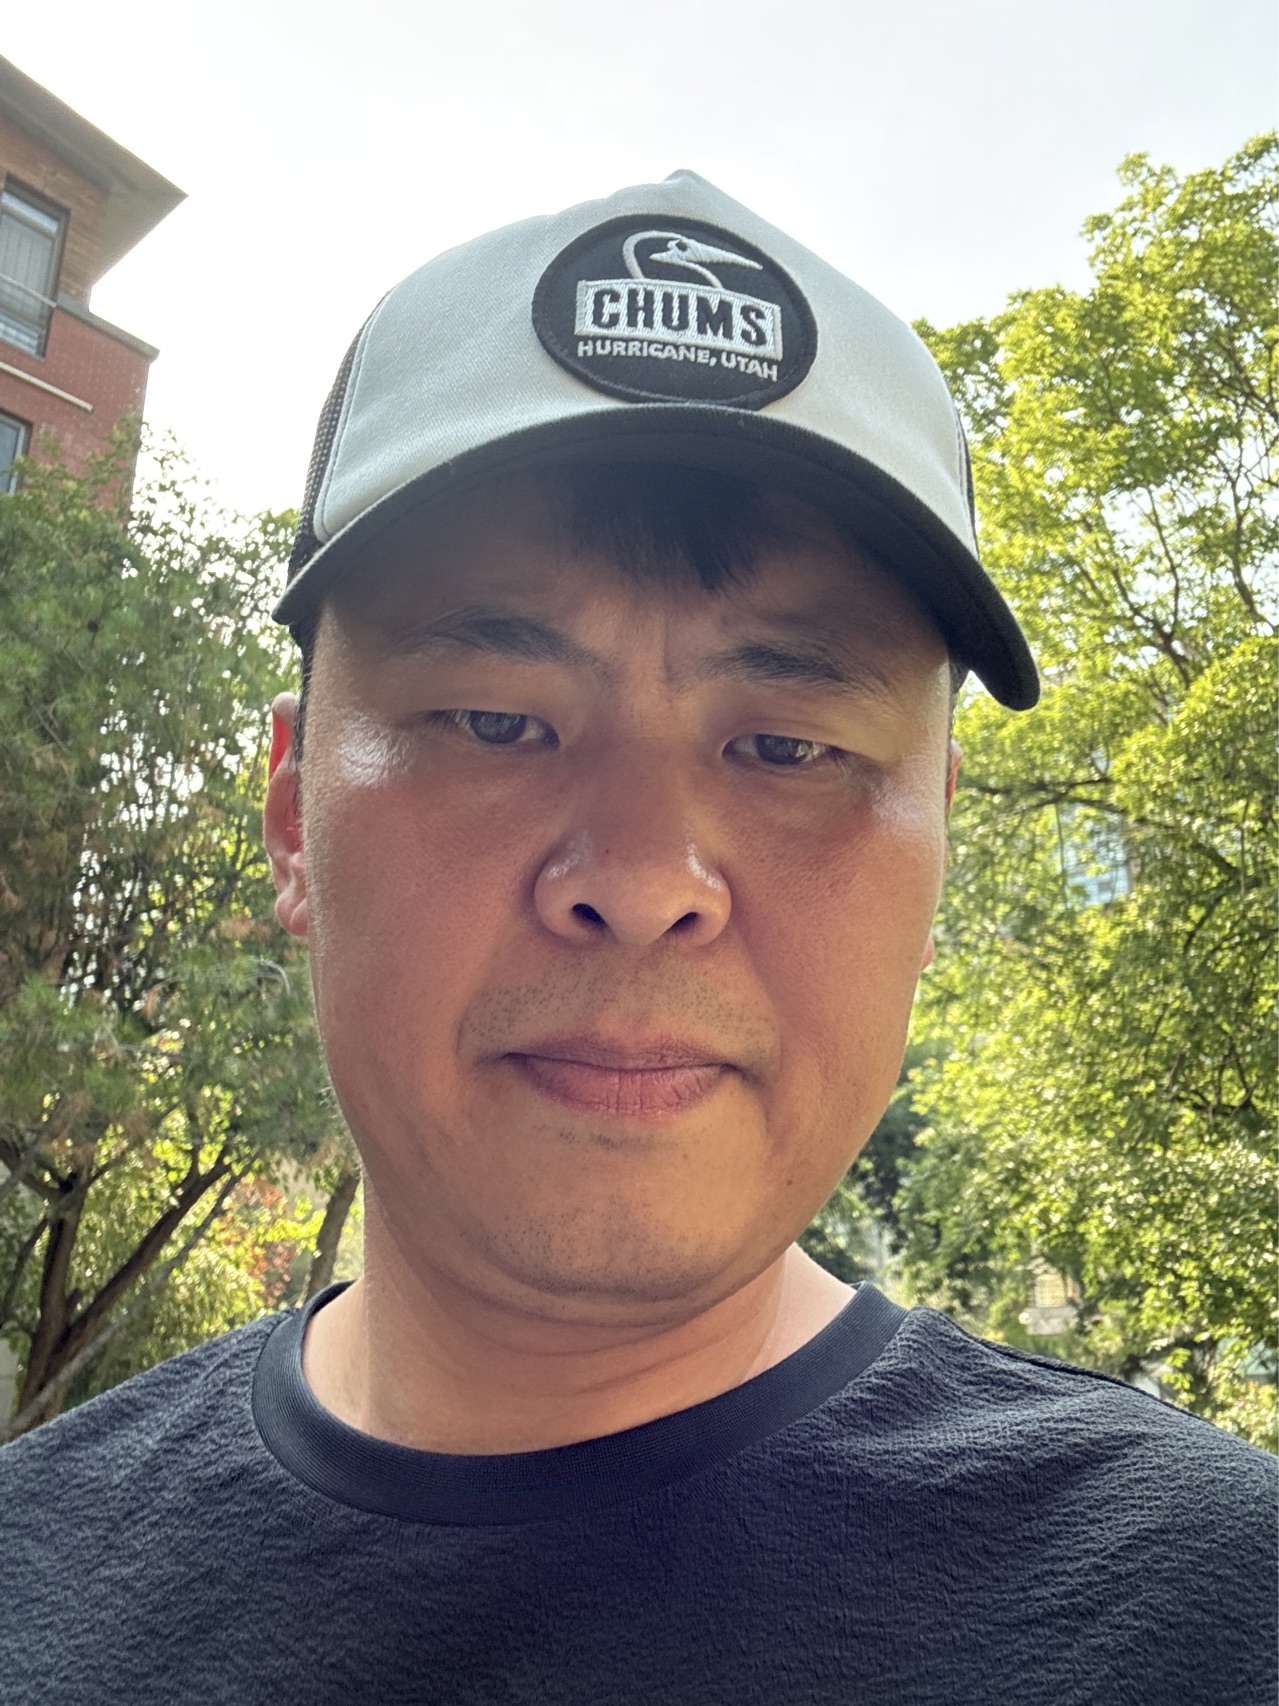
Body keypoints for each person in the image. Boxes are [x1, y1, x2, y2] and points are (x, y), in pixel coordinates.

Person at [0, 171, 1273, 1705]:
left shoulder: (1213, 1619)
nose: (645, 877)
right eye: (493, 718)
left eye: (789, 746)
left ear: (937, 844)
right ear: (290, 815)